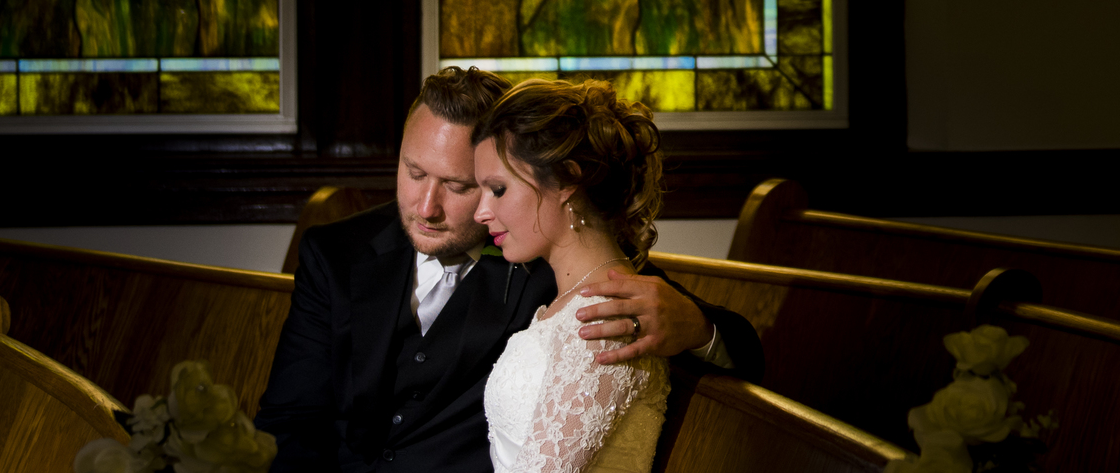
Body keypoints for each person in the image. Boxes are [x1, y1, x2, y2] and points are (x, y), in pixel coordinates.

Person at [257, 67, 761, 472]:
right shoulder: (335, 252)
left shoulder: (549, 253)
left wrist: (698, 327)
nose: (426, 206)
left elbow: (724, 336)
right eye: (413, 173)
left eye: (460, 186)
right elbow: (291, 420)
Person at [471, 77, 685, 472]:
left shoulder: (605, 318)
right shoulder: (572, 302)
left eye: (498, 189)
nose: (480, 212)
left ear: (567, 179)